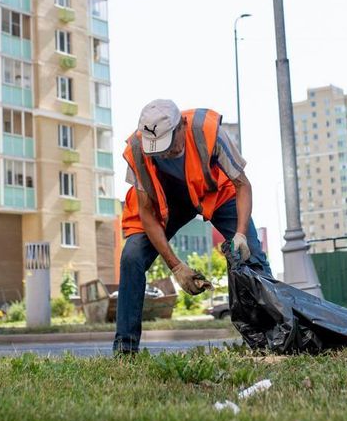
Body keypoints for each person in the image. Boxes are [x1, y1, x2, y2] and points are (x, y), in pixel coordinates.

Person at [114, 99, 271, 353]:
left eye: (168, 145)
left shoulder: (208, 132)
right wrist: (176, 266)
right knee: (131, 257)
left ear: (181, 126)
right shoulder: (137, 149)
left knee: (251, 253)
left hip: (213, 194)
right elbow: (145, 211)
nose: (164, 154)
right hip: (162, 203)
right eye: (158, 150)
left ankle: (273, 336)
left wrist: (240, 233)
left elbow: (243, 185)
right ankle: (125, 350)